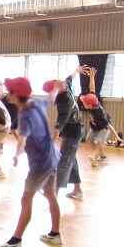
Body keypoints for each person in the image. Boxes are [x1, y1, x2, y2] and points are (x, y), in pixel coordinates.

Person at [0, 77, 61, 247]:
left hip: (41, 163)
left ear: (17, 95)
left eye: (10, 92)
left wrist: (17, 155)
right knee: (50, 194)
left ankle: (16, 241)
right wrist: (55, 88)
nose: (8, 94)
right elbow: (51, 99)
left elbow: (22, 138)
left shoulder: (25, 115)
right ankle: (55, 234)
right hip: (52, 156)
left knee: (26, 198)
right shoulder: (36, 103)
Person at [45, 66, 85, 200]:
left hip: (73, 131)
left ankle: (54, 194)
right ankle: (78, 190)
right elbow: (69, 78)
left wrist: (53, 137)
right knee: (71, 158)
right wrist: (76, 71)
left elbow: (62, 119)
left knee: (63, 161)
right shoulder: (66, 86)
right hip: (73, 129)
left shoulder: (64, 100)